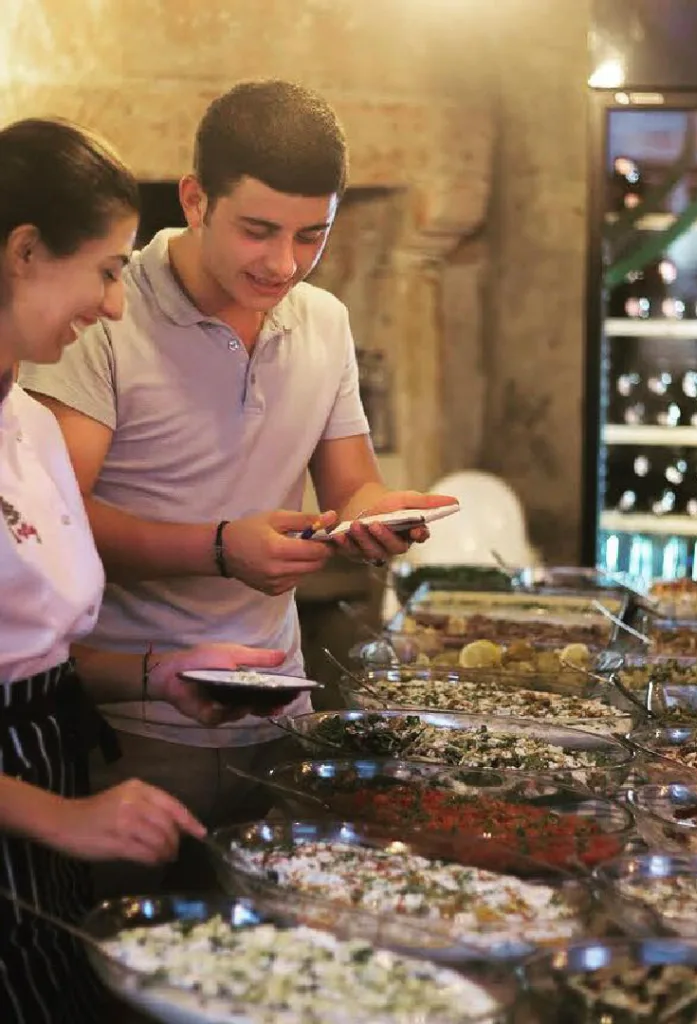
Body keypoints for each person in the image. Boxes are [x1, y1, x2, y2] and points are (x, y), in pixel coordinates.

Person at [19, 80, 455, 893]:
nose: (284, 263)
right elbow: (54, 524)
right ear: (194, 199)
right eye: (258, 231)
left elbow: (352, 484)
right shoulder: (101, 311)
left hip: (276, 700)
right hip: (135, 717)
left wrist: (372, 520)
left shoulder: (322, 319)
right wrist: (222, 549)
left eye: (310, 236)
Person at [0, 117, 289, 1024]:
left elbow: (27, 660)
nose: (116, 304)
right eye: (107, 268)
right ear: (24, 250)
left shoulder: (30, 424)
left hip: (43, 801)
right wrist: (63, 820)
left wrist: (162, 676)